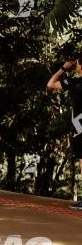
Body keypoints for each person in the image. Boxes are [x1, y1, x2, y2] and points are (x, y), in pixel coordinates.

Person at [47, 55, 82, 210]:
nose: (76, 66)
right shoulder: (74, 82)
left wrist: (64, 68)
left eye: (78, 64)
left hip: (80, 125)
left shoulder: (75, 83)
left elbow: (50, 83)